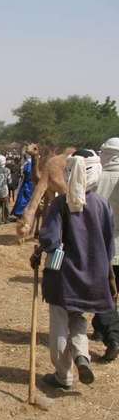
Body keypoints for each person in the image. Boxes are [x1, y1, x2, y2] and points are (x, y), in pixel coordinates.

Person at [30, 149, 115, 389]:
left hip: (63, 275)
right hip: (92, 275)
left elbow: (50, 241)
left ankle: (63, 375)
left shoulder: (60, 204)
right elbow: (108, 245)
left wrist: (40, 252)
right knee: (77, 318)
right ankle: (82, 357)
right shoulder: (101, 204)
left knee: (59, 322)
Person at [90, 138, 119, 361]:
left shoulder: (95, 178)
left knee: (105, 295)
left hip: (100, 247)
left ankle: (113, 337)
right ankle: (100, 328)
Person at [11, 153, 34, 219]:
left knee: (23, 198)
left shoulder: (27, 165)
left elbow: (26, 173)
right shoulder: (31, 164)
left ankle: (20, 212)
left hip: (27, 183)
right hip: (30, 183)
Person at [0, 155, 12, 224]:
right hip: (5, 190)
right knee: (6, 206)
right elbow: (9, 181)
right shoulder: (7, 170)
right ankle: (6, 219)